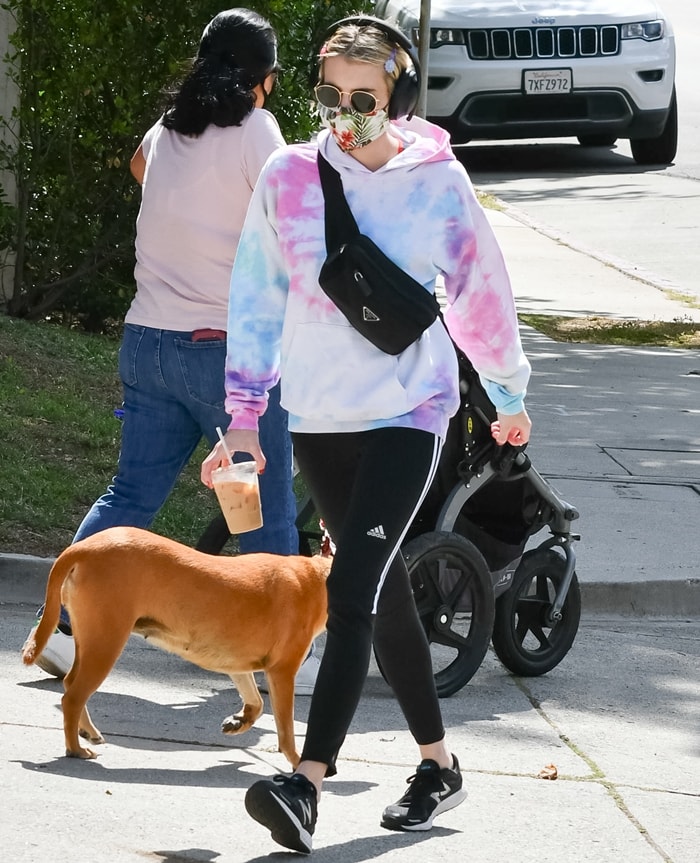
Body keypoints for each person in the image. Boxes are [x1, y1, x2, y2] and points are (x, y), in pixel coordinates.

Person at [201, 15, 532, 854]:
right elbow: (255, 296)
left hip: (408, 411)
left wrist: (505, 390)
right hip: (318, 415)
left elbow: (479, 292)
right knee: (379, 594)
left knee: (348, 591)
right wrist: (244, 414)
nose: (345, 114)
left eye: (365, 98)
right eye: (329, 95)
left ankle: (305, 784)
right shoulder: (287, 176)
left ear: (399, 99)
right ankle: (438, 761)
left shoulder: (436, 182)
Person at [26, 8, 319, 695]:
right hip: (223, 351)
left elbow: (138, 166)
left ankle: (65, 636)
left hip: (147, 339)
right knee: (267, 508)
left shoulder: (168, 128)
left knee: (130, 492)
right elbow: (297, 213)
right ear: (263, 82)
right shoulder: (256, 130)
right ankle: (277, 656)